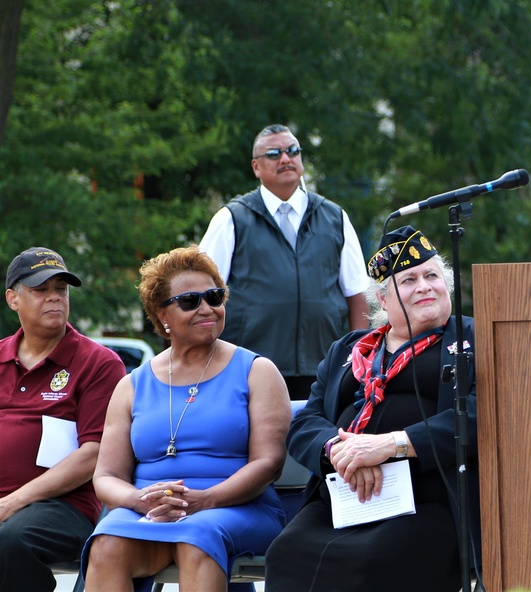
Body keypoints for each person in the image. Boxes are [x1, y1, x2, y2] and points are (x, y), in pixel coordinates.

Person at [265, 226, 479, 592]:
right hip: (345, 491)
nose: (425, 286)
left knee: (374, 560)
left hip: (425, 499)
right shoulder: (348, 350)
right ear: (383, 299)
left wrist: (390, 446)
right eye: (409, 280)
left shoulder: (472, 339)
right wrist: (340, 450)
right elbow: (305, 423)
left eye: (432, 275)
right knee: (285, 553)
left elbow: (482, 413)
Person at [82, 246, 290, 591]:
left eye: (214, 296)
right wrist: (140, 500)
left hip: (237, 506)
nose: (207, 308)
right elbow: (105, 476)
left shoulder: (257, 371)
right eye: (191, 301)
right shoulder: (131, 385)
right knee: (106, 544)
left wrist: (206, 499)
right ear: (161, 315)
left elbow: (269, 463)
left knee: (197, 538)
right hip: (149, 510)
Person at [200, 123, 369, 400]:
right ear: (256, 167)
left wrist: (359, 362)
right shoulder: (232, 219)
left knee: (316, 442)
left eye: (293, 151)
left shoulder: (335, 218)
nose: (285, 158)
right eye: (274, 153)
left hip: (323, 368)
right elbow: (203, 295)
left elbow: (358, 295)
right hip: (248, 369)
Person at [0, 247, 125, 592]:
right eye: (41, 290)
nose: (55, 298)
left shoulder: (98, 363)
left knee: (10, 540)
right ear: (13, 299)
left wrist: (12, 502)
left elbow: (94, 454)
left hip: (63, 506)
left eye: (61, 290)